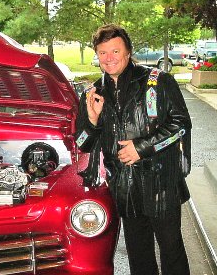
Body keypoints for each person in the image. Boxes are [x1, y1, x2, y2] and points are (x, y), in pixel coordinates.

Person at [75, 24, 192, 275]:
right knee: (139, 257)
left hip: (162, 185)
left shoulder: (157, 81)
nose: (109, 58)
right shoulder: (93, 93)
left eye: (115, 51)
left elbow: (181, 124)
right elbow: (82, 142)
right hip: (125, 188)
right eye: (103, 53)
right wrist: (93, 122)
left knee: (172, 252)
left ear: (128, 51)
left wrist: (142, 148)